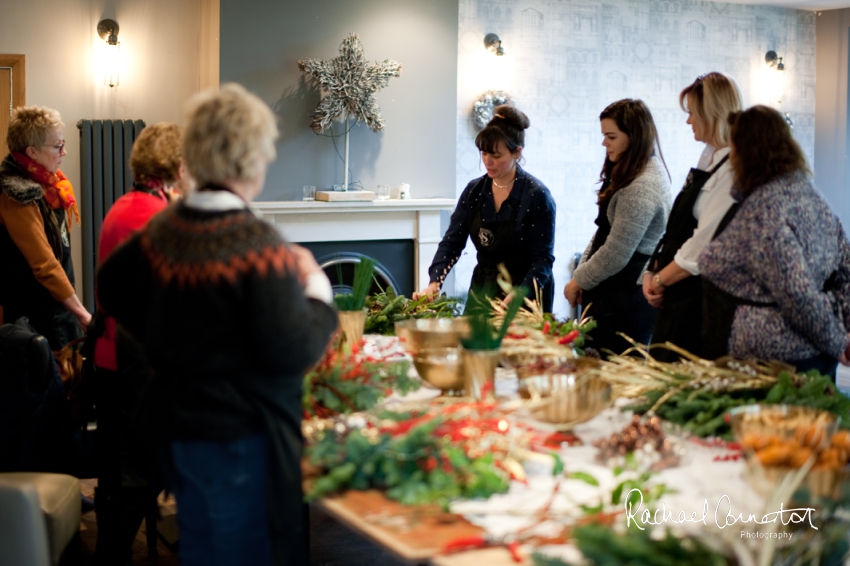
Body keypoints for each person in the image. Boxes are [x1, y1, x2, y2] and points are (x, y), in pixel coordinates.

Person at [97, 84, 339, 566]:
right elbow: (295, 350)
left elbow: (112, 285)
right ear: (251, 159)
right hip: (241, 436)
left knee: (204, 542)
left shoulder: (165, 229)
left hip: (179, 428)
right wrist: (316, 284)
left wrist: (175, 344)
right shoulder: (256, 243)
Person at [699, 105, 850, 380]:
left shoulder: (765, 209)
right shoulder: (808, 193)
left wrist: (840, 342)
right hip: (814, 349)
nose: (731, 157)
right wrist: (842, 331)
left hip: (778, 357)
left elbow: (797, 293)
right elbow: (845, 269)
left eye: (733, 148)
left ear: (749, 151)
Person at [92, 122, 184, 565]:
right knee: (140, 477)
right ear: (178, 165)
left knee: (134, 475)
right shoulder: (152, 215)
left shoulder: (128, 205)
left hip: (115, 358)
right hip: (134, 367)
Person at [413, 105, 556, 311]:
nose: (488, 161)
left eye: (496, 156)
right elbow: (452, 242)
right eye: (484, 153)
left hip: (525, 291)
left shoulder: (537, 195)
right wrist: (435, 282)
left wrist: (520, 293)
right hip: (484, 287)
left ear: (517, 153)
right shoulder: (474, 191)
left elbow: (543, 260)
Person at [642, 73, 743, 361]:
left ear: (713, 114)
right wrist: (651, 270)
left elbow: (702, 245)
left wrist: (661, 280)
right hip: (673, 293)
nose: (688, 122)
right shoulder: (708, 157)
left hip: (697, 300)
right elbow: (676, 228)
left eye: (692, 114)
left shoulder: (733, 168)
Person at [564, 99, 671, 357]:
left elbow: (616, 252)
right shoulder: (632, 171)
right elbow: (604, 232)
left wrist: (579, 279)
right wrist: (581, 273)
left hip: (627, 300)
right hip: (612, 291)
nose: (604, 143)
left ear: (634, 136)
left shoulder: (642, 185)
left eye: (611, 136)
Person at [0, 105, 90, 349]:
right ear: (32, 151)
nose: (65, 152)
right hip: (38, 316)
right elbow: (44, 264)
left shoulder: (51, 186)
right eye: (58, 145)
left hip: (59, 306)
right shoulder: (17, 194)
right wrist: (82, 313)